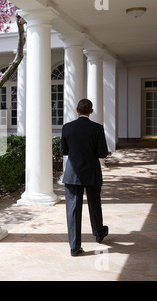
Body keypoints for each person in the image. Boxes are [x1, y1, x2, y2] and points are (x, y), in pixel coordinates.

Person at [60, 99, 109, 257]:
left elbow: (64, 151)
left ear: (77, 110)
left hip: (73, 174)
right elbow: (102, 153)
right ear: (91, 111)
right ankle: (99, 232)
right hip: (92, 172)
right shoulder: (98, 128)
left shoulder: (67, 127)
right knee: (95, 204)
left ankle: (74, 247)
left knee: (73, 210)